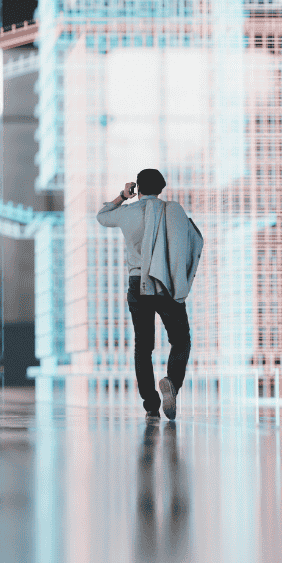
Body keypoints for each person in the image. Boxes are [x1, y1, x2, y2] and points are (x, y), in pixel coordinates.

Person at [96, 168, 203, 420]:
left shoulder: (127, 213)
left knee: (143, 347)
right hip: (166, 282)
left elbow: (102, 216)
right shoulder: (173, 213)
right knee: (180, 340)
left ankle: (151, 405)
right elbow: (189, 243)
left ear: (138, 189)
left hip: (137, 284)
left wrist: (123, 196)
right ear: (162, 188)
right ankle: (171, 383)